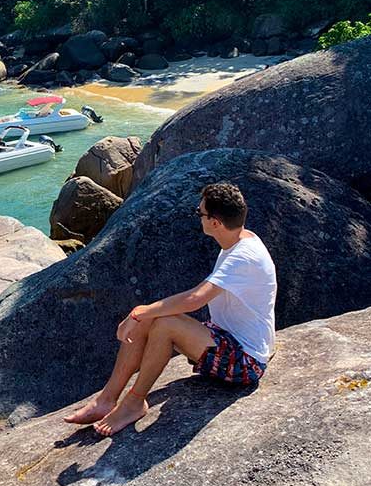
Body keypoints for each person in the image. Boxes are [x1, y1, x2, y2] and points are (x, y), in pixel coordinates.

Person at [65, 181, 277, 436]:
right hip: (228, 337)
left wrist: (142, 310)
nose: (198, 217)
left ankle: (133, 403)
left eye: (200, 213)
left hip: (247, 360)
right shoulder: (240, 239)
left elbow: (195, 299)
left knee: (164, 323)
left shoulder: (242, 257)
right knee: (148, 318)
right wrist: (141, 314)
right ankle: (106, 399)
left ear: (215, 223)